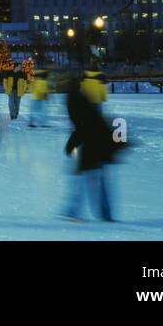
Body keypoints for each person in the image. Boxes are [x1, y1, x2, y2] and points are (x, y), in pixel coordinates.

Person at [62, 77, 119, 222]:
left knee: (89, 176)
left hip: (94, 142)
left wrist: (71, 144)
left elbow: (83, 124)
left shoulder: (73, 100)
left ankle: (75, 211)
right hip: (96, 141)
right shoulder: (78, 98)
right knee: (93, 176)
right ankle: (102, 213)